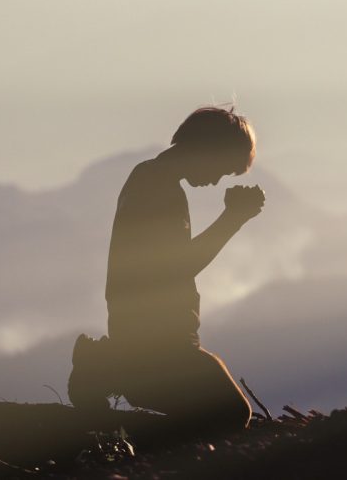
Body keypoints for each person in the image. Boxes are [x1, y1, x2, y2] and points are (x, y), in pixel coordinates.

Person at [68, 106, 265, 434]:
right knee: (233, 413)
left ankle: (107, 364)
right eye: (222, 168)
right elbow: (177, 268)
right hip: (159, 350)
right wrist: (233, 218)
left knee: (221, 406)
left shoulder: (149, 178)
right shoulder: (159, 189)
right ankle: (107, 366)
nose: (217, 180)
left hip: (149, 341)